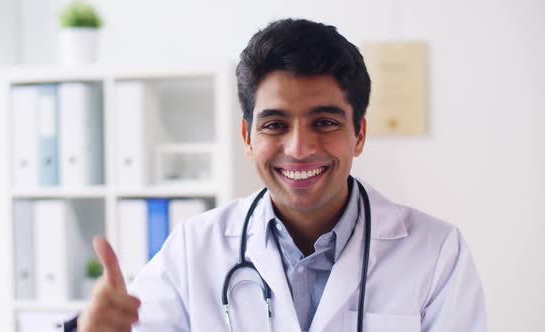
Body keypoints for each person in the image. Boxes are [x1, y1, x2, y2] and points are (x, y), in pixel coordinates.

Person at [67, 18, 487, 332]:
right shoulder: (194, 250)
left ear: (358, 134)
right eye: (275, 124)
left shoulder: (435, 253)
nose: (299, 148)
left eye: (324, 122)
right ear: (247, 137)